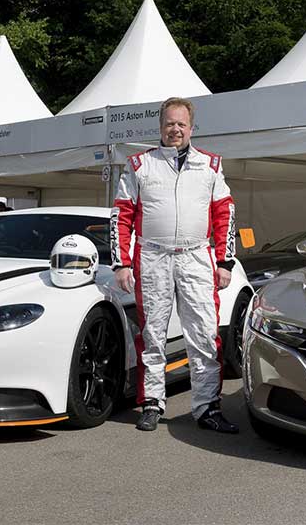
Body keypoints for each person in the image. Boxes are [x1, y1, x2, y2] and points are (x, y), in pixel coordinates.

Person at [112, 97, 239, 433]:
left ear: (191, 128)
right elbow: (121, 215)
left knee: (204, 334)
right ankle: (152, 402)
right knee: (152, 334)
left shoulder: (211, 164)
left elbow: (224, 212)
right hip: (152, 256)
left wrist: (225, 261)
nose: (175, 129)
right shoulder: (140, 164)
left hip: (197, 255)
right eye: (170, 123)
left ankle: (207, 407)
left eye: (181, 124)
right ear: (160, 127)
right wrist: (121, 263)